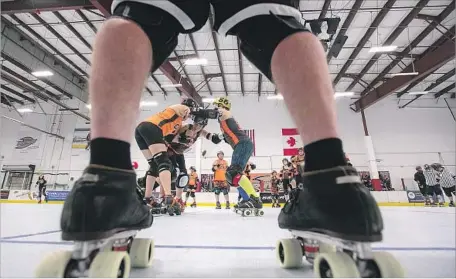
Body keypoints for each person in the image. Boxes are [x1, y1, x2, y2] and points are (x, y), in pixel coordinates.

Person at [61, 0, 383, 249]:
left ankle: (104, 181)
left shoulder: (209, 123)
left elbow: (201, 132)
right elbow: (199, 129)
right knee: (276, 22)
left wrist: (201, 128)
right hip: (182, 136)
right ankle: (331, 178)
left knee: (140, 15)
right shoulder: (198, 118)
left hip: (195, 139)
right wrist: (203, 124)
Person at [212, 97, 263, 212]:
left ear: (222, 105)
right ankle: (247, 199)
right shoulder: (225, 123)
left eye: (216, 105)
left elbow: (214, 113)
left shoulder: (225, 113)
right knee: (231, 177)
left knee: (234, 173)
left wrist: (194, 112)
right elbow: (218, 137)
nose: (214, 107)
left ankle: (254, 199)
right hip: (242, 146)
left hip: (242, 144)